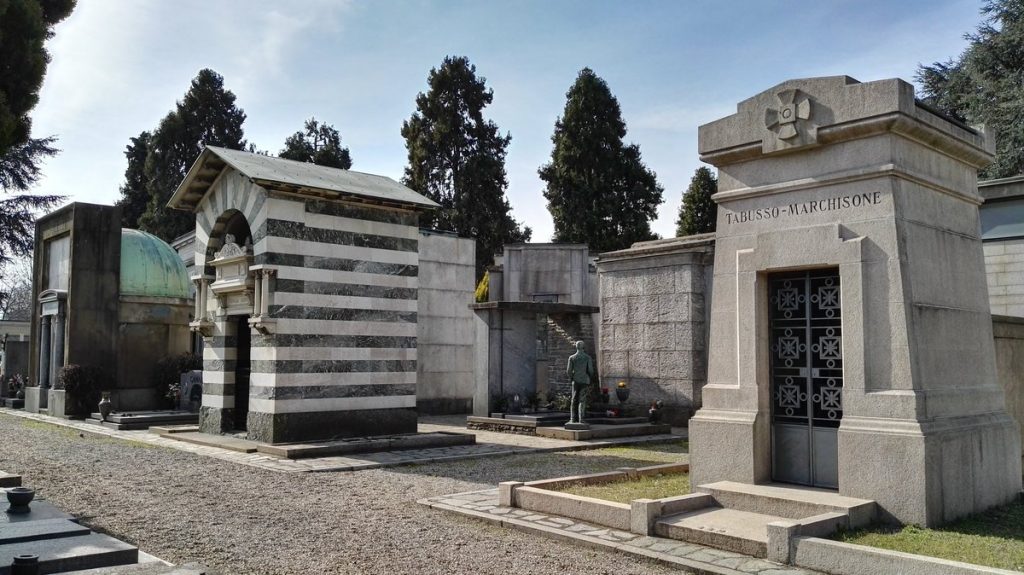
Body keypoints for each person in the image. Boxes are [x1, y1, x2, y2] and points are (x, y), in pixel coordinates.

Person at [566, 341, 595, 424]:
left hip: (575, 380)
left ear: (576, 347)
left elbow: (568, 371)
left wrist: (572, 378)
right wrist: (589, 376)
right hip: (584, 380)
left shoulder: (572, 358)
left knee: (574, 399)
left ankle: (572, 419)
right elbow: (590, 370)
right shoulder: (587, 357)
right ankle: (581, 419)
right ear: (583, 347)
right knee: (582, 400)